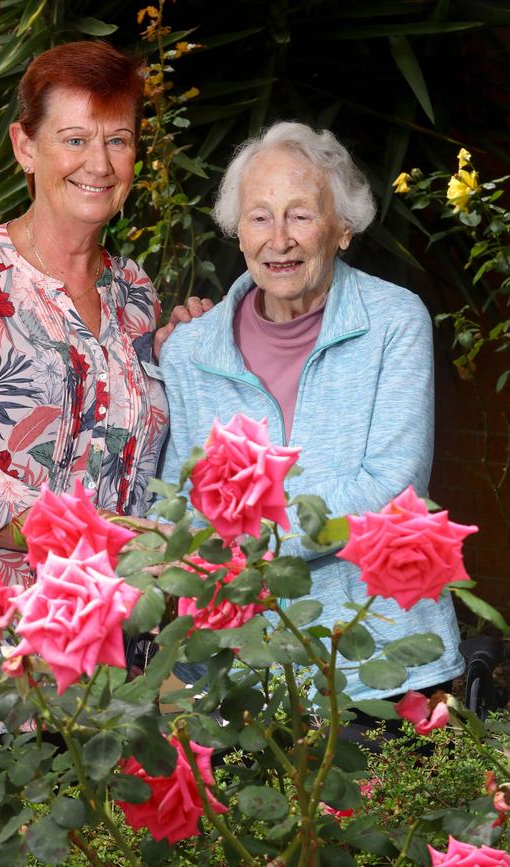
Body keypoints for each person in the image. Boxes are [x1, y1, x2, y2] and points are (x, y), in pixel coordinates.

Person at [0, 40, 207, 772]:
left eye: (118, 140)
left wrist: (190, 345)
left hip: (115, 658)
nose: (98, 163)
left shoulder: (134, 296)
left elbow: (134, 450)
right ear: (24, 148)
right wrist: (117, 544)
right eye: (74, 138)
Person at [160, 121, 464, 702]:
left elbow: (391, 486)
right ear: (238, 233)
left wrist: (250, 543)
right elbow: (178, 499)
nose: (280, 238)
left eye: (300, 214)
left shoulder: (394, 321)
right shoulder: (191, 350)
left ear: (343, 229)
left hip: (381, 657)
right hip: (238, 669)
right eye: (259, 216)